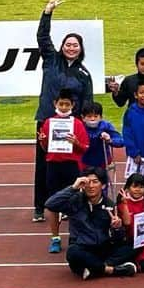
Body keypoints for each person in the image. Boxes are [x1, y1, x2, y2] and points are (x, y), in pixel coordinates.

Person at [32, 0, 93, 223]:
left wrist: (84, 127)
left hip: (71, 127)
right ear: (62, 47)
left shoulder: (84, 74)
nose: (71, 48)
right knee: (43, 166)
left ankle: (68, 205)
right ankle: (40, 207)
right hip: (47, 121)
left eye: (75, 45)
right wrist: (47, 13)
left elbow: (87, 102)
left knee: (69, 168)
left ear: (80, 49)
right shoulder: (50, 60)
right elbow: (42, 37)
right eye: (68, 44)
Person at [44, 167, 136, 280]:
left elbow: (118, 239)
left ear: (103, 185)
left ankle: (94, 269)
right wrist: (73, 188)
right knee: (72, 253)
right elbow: (50, 204)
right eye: (87, 182)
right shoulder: (75, 201)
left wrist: (117, 228)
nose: (91, 186)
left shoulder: (110, 205)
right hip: (82, 249)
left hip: (103, 249)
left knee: (134, 245)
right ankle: (110, 270)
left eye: (95, 182)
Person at [38, 88, 89, 253]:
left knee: (75, 203)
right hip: (53, 166)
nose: (64, 107)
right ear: (55, 104)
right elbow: (46, 148)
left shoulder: (77, 124)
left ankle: (75, 236)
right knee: (52, 203)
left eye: (67, 104)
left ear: (73, 105)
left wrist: (75, 143)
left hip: (72, 166)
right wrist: (42, 141)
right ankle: (55, 237)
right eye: (62, 104)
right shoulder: (48, 123)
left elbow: (84, 148)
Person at [80, 101, 123, 198]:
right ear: (83, 117)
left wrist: (109, 139)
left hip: (102, 163)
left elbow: (120, 141)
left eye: (96, 116)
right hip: (84, 162)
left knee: (102, 186)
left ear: (101, 117)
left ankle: (102, 206)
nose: (92, 119)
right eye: (89, 116)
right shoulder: (80, 126)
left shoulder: (106, 126)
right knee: (84, 185)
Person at [121, 81, 144, 183]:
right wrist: (134, 153)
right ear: (136, 95)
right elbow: (127, 133)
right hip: (135, 156)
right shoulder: (130, 112)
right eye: (142, 93)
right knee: (133, 183)